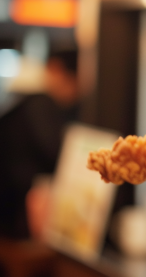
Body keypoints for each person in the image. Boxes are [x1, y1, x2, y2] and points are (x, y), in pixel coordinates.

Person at [0, 50, 80, 240]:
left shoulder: (22, 102)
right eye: (74, 83)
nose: (76, 92)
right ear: (56, 70)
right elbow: (55, 152)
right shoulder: (41, 105)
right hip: (18, 217)